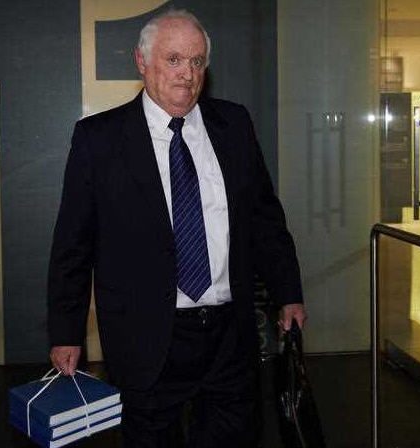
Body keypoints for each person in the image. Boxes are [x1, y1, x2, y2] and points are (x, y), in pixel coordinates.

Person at [47, 9, 306, 447]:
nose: (187, 73)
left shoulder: (234, 125)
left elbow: (265, 218)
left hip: (230, 335)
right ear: (141, 61)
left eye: (197, 61)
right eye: (173, 59)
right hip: (146, 337)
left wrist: (289, 292)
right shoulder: (100, 139)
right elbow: (74, 243)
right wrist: (66, 333)